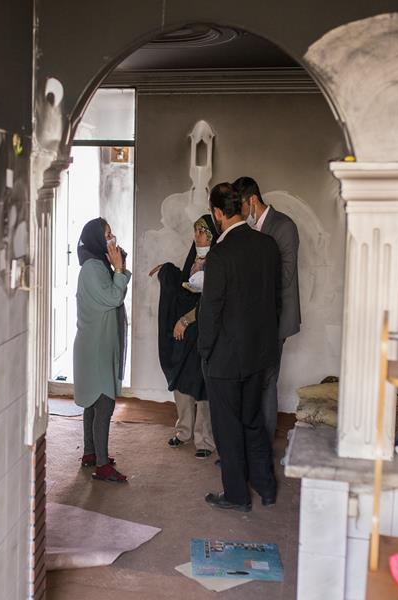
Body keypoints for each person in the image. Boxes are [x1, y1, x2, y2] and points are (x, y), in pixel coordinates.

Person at [198, 183, 282, 512]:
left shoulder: (220, 254)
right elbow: (274, 300)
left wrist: (205, 351)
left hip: (226, 358)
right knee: (253, 421)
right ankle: (266, 487)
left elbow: (210, 310)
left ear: (219, 213)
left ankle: (237, 495)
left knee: (228, 428)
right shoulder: (267, 245)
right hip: (259, 353)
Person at [233, 176, 301, 447]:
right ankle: (251, 442)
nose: (239, 214)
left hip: (275, 318)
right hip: (254, 318)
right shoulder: (250, 229)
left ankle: (263, 444)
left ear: (252, 200)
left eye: (240, 207)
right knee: (252, 379)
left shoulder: (283, 226)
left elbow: (285, 276)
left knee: (267, 380)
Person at [149, 215, 218, 459]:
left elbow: (211, 300)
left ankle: (204, 439)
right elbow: (184, 286)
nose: (196, 236)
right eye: (195, 231)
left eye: (201, 232)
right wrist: (167, 270)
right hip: (185, 335)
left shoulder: (219, 262)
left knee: (203, 385)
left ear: (211, 235)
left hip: (203, 332)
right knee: (182, 381)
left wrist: (187, 319)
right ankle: (184, 431)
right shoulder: (194, 259)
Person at [73, 218, 130, 483]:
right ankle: (102, 465)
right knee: (103, 404)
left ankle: (90, 453)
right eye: (107, 234)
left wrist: (119, 267)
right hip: (95, 348)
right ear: (96, 239)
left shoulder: (97, 265)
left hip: (95, 344)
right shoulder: (93, 268)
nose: (112, 238)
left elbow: (115, 291)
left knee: (93, 404)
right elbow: (113, 297)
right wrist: (118, 269)